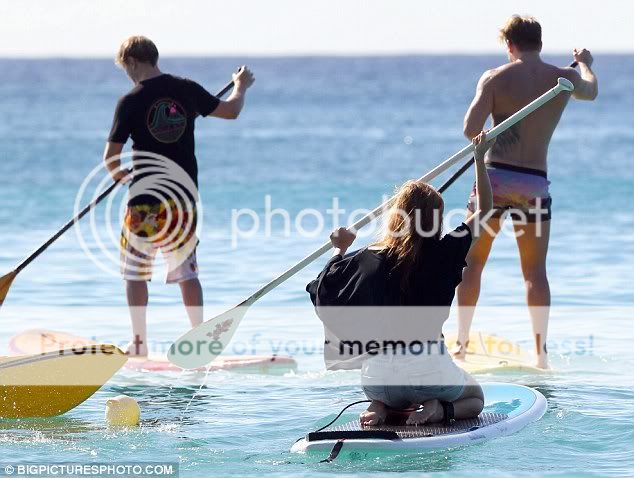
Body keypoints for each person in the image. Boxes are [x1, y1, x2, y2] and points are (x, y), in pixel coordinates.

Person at [308, 132, 494, 427]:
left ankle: (379, 407)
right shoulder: (446, 250)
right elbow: (484, 211)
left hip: (377, 378)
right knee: (475, 399)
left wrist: (339, 249)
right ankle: (439, 409)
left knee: (390, 385)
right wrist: (479, 158)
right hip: (428, 371)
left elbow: (323, 292)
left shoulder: (364, 258)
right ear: (437, 219)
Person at [454, 15, 598, 369]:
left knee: (472, 264)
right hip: (534, 182)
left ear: (509, 45)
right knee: (535, 272)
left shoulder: (494, 78)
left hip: (494, 179)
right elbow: (591, 91)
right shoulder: (563, 79)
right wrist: (585, 64)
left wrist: (493, 125)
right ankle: (540, 354)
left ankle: (459, 344)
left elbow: (470, 129)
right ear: (540, 43)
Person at [103, 36, 255, 356]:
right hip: (181, 200)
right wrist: (240, 86)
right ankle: (197, 336)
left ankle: (139, 343)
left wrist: (121, 177)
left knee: (135, 272)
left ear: (131, 62)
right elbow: (231, 112)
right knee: (187, 272)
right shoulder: (187, 89)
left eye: (125, 68)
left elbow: (111, 157)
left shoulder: (129, 101)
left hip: (144, 199)